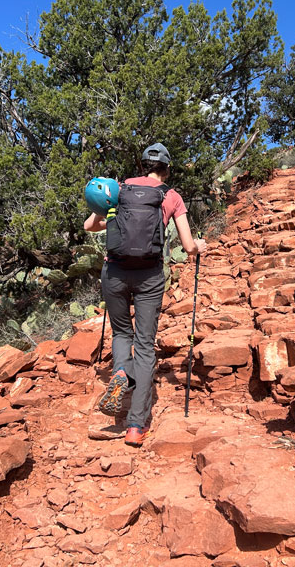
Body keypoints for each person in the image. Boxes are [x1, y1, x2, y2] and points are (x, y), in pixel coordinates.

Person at [84, 142, 207, 446]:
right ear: (166, 168)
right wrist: (198, 248)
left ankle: (122, 371)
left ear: (140, 165)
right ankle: (136, 426)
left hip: (113, 272)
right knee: (145, 343)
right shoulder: (171, 196)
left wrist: (110, 216)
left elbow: (90, 226)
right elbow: (188, 245)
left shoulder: (119, 189)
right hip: (150, 275)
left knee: (122, 332)